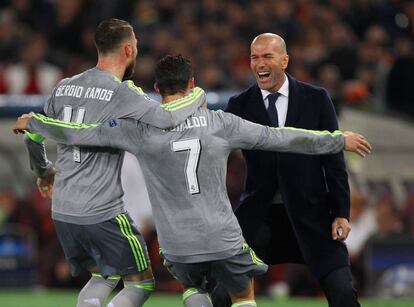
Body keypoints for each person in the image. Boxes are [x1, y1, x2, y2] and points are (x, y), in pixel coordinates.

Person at [14, 55, 371, 307]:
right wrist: (337, 140)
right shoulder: (220, 123)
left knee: (191, 287)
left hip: (176, 245)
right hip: (222, 237)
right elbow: (286, 138)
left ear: (155, 87)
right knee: (243, 295)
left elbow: (81, 133)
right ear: (193, 84)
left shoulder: (137, 131)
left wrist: (36, 122)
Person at [23, 19, 203, 307]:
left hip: (63, 211)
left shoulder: (64, 86)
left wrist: (44, 172)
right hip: (100, 211)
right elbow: (169, 118)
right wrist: (196, 96)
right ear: (129, 49)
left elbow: (33, 134)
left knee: (102, 276)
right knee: (140, 282)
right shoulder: (123, 93)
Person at [209, 33, 362, 307]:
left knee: (343, 294)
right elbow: (216, 158)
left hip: (312, 214)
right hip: (260, 217)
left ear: (285, 60)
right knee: (222, 294)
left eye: (267, 56)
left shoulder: (316, 99)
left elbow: (334, 160)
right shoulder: (239, 105)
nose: (259, 63)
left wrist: (341, 212)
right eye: (254, 57)